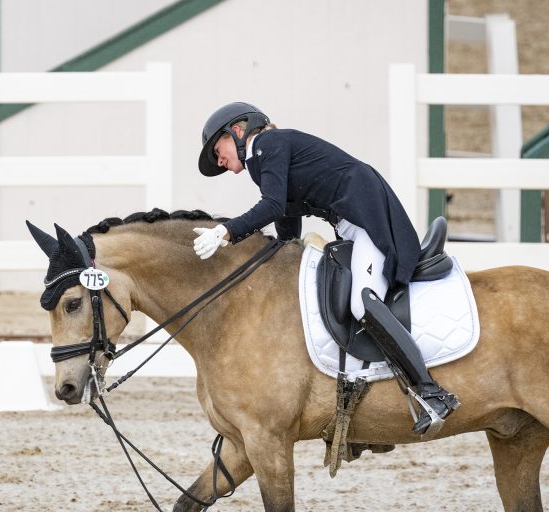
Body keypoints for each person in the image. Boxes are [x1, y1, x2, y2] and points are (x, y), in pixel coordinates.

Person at [192, 102, 459, 435]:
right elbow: (287, 216)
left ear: (238, 130)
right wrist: (279, 254)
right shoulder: (268, 155)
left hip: (367, 220)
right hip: (351, 225)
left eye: (219, 152)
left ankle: (432, 393)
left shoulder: (266, 145)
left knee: (363, 303)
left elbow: (272, 205)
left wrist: (227, 231)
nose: (223, 164)